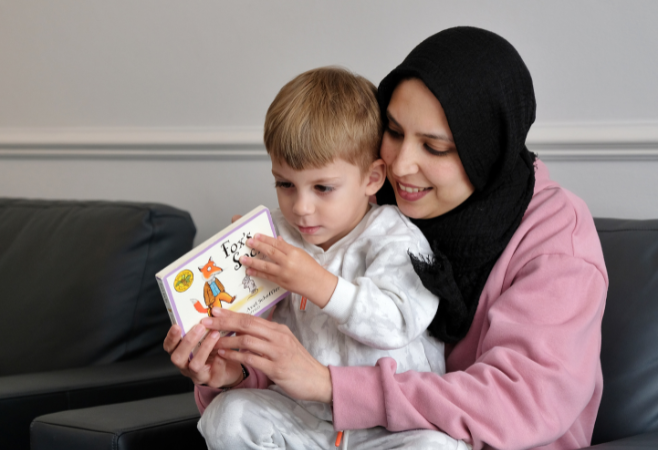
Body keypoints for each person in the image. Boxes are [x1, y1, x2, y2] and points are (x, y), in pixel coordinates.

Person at [164, 26, 608, 450]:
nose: (399, 165)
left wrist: (329, 385)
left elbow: (520, 402)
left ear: (485, 148)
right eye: (393, 132)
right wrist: (235, 372)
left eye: (434, 147)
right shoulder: (369, 203)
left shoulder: (554, 239)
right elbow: (311, 351)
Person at [186, 66, 468, 449]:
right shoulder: (275, 236)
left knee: (436, 448)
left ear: (371, 178)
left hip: (387, 429)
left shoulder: (396, 237)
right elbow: (256, 351)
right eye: (285, 184)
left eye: (323, 187)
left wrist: (316, 283)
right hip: (304, 420)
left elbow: (397, 323)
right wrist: (220, 355)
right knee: (227, 416)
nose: (301, 208)